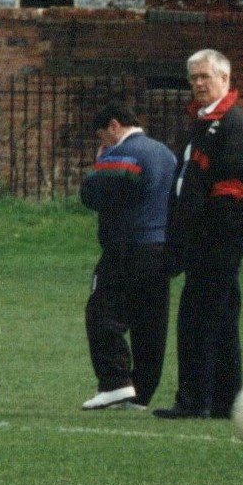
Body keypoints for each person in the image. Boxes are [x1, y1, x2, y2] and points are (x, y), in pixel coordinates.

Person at [154, 49, 243, 420]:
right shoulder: (204, 123)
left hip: (220, 235)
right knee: (220, 314)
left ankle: (194, 401)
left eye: (205, 77)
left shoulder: (233, 125)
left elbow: (230, 191)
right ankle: (224, 400)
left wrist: (205, 240)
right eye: (193, 78)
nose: (198, 84)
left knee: (198, 315)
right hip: (207, 235)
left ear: (224, 79)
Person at [78, 102, 178, 411]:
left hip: (126, 245)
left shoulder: (125, 153)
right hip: (160, 247)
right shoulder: (166, 153)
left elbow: (94, 195)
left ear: (113, 125)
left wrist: (98, 166)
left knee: (102, 312)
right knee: (150, 322)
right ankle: (141, 392)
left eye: (101, 137)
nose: (102, 145)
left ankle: (114, 383)